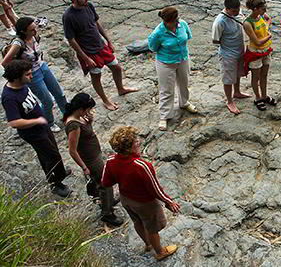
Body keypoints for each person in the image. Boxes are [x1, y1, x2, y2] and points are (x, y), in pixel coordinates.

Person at [102, 126, 181, 261]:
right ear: (129, 148)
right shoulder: (141, 165)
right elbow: (155, 189)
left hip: (126, 199)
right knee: (152, 228)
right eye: (136, 141)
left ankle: (148, 244)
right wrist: (168, 201)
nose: (138, 142)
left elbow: (105, 182)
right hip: (145, 203)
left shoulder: (111, 160)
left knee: (137, 221)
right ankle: (160, 252)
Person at [1, 60, 72, 197]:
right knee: (50, 156)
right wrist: (36, 120)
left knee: (53, 151)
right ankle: (55, 184)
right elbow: (14, 122)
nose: (31, 76)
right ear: (16, 77)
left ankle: (60, 172)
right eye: (27, 74)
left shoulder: (22, 85)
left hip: (42, 126)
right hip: (33, 132)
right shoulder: (9, 97)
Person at [62, 0, 138, 111]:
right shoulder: (68, 16)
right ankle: (105, 100)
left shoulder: (89, 6)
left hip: (101, 46)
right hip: (88, 52)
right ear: (73, 0)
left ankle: (121, 89)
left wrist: (108, 40)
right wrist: (85, 58)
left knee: (117, 68)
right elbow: (71, 40)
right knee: (96, 76)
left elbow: (96, 23)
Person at [64, 93, 123, 226]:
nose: (89, 112)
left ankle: (107, 200)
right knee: (105, 183)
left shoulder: (80, 118)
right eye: (88, 109)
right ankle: (107, 213)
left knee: (102, 182)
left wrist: (89, 122)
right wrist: (84, 167)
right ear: (81, 109)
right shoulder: (74, 125)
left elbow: (86, 135)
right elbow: (72, 150)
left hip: (94, 155)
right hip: (91, 160)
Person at [2, 17, 68, 132]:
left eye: (35, 28)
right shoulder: (18, 43)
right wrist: (19, 74)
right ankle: (48, 122)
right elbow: (5, 62)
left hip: (42, 67)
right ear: (23, 31)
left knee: (59, 93)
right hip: (32, 74)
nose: (35, 31)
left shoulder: (35, 37)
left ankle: (68, 115)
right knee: (47, 100)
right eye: (32, 30)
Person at [148, 6, 198, 131]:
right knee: (167, 90)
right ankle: (164, 116)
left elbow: (187, 37)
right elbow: (153, 47)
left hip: (182, 58)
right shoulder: (158, 33)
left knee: (184, 83)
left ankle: (184, 102)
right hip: (166, 62)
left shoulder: (183, 24)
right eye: (175, 20)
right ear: (167, 21)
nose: (178, 21)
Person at [212, 0, 251, 115]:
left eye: (238, 9)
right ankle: (229, 101)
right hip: (227, 54)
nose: (237, 12)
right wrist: (228, 45)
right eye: (234, 11)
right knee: (228, 78)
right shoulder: (220, 21)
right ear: (227, 9)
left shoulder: (238, 13)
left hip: (240, 50)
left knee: (238, 73)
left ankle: (237, 92)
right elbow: (215, 40)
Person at [243, 0, 275, 111]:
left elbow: (267, 19)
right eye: (262, 8)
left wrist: (267, 23)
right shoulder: (247, 23)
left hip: (266, 50)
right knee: (255, 76)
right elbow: (256, 41)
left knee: (264, 75)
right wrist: (269, 36)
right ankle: (258, 98)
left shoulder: (261, 16)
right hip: (255, 52)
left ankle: (264, 95)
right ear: (255, 9)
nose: (265, 10)